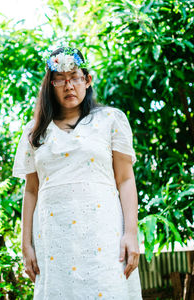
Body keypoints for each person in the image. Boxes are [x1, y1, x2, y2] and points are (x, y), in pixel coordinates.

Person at [12, 45, 143, 299]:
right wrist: (25, 245)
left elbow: (126, 180)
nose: (68, 85)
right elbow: (31, 190)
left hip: (105, 235)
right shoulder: (34, 132)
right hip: (53, 238)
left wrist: (131, 233)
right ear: (50, 85)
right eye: (60, 79)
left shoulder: (110, 120)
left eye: (75, 78)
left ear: (88, 80)